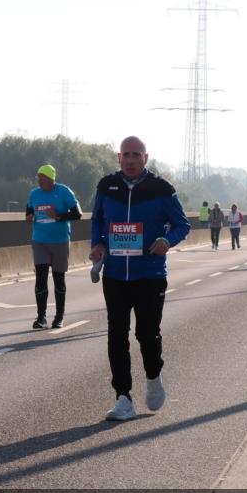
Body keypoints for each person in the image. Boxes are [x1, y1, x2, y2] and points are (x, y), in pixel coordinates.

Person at [90, 136, 190, 422]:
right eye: (126, 155)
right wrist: (97, 243)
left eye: (136, 155)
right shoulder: (107, 186)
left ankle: (154, 376)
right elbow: (97, 220)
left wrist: (166, 241)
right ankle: (123, 398)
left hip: (150, 274)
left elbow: (182, 224)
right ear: (118, 157)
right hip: (115, 275)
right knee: (116, 335)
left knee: (147, 334)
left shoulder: (161, 188)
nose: (131, 160)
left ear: (146, 158)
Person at [25, 164, 82, 329]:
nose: (39, 180)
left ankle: (59, 317)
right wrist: (29, 216)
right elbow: (29, 210)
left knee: (59, 279)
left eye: (42, 177)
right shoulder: (34, 193)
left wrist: (58, 216)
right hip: (40, 241)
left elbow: (77, 214)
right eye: (38, 177)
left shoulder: (64, 191)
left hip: (60, 241)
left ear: (51, 178)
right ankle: (41, 317)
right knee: (40, 278)